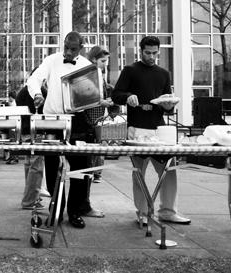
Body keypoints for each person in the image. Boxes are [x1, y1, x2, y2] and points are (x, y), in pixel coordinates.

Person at [27, 31, 104, 229]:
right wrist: (37, 94)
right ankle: (55, 209)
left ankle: (75, 212)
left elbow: (95, 95)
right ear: (63, 45)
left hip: (79, 122)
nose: (69, 53)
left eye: (73, 49)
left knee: (80, 169)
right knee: (52, 168)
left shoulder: (88, 67)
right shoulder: (52, 60)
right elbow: (33, 79)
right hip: (53, 121)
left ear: (81, 48)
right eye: (66, 48)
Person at [111, 35, 191, 225]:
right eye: (147, 53)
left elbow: (168, 101)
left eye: (155, 53)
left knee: (169, 169)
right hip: (136, 128)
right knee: (138, 172)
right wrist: (128, 96)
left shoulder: (163, 73)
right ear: (141, 51)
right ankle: (143, 212)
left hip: (159, 129)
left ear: (159, 51)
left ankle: (168, 211)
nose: (151, 56)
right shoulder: (130, 70)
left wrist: (168, 106)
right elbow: (116, 95)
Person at [84, 46, 118, 183]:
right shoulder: (90, 75)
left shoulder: (99, 75)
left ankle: (95, 173)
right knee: (95, 145)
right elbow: (87, 97)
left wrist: (107, 101)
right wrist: (102, 102)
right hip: (91, 117)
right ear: (93, 59)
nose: (105, 64)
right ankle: (93, 173)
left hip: (99, 116)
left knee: (100, 144)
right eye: (103, 61)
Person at [18, 67, 46, 210]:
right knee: (36, 167)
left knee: (29, 165)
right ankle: (30, 200)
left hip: (24, 131)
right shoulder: (40, 93)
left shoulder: (22, 92)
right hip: (37, 131)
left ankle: (32, 197)